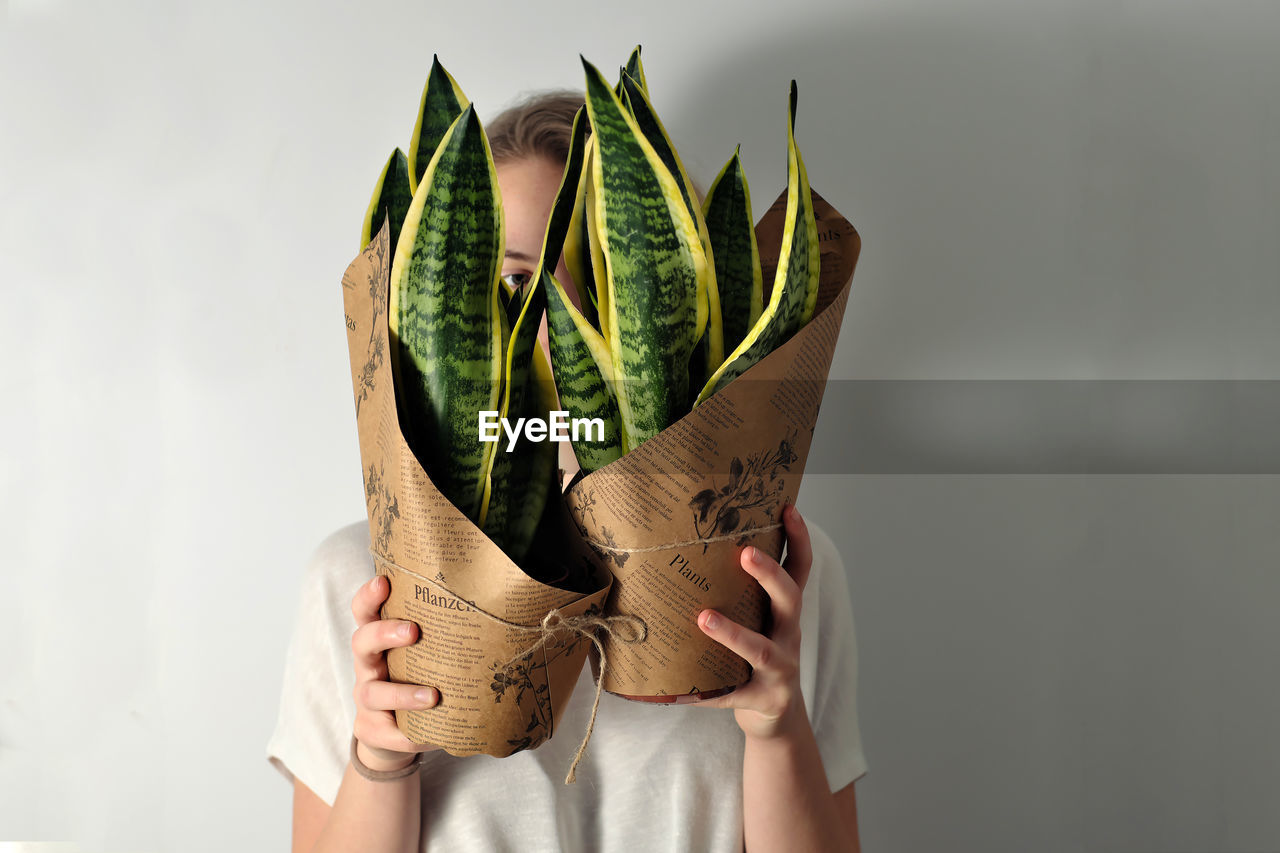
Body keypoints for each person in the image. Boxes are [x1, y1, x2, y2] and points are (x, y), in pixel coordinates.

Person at [267, 90, 867, 853]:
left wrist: (776, 726)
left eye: (595, 285)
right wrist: (381, 758)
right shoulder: (362, 581)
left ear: (666, 298)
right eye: (518, 282)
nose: (557, 323)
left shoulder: (772, 576)